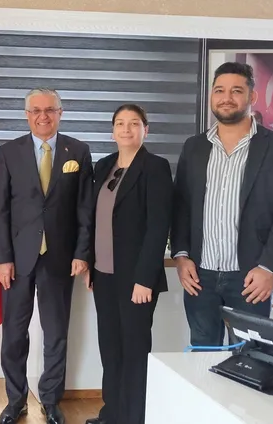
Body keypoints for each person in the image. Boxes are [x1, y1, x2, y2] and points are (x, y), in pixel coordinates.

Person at [172, 61, 273, 347]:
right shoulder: (194, 147)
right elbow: (181, 207)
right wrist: (181, 256)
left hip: (250, 278)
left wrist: (269, 268)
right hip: (200, 277)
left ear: (251, 96)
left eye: (236, 91)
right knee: (203, 355)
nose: (226, 98)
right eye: (219, 90)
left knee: (250, 358)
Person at [0, 87, 94, 424]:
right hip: (17, 261)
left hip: (60, 259)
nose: (43, 116)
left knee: (56, 334)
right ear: (27, 115)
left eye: (50, 110)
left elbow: (85, 209)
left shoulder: (78, 151)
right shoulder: (9, 152)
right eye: (36, 110)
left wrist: (82, 252)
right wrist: (2, 258)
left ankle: (50, 400)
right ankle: (15, 400)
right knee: (13, 334)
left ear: (60, 113)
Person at [85, 104, 173, 424]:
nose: (126, 129)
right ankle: (112, 413)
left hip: (137, 279)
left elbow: (158, 226)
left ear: (145, 130)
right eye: (120, 123)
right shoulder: (104, 165)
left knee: (134, 351)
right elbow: (95, 219)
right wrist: (91, 264)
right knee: (110, 349)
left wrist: (145, 278)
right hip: (104, 275)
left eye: (134, 123)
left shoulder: (155, 167)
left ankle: (133, 417)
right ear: (112, 132)